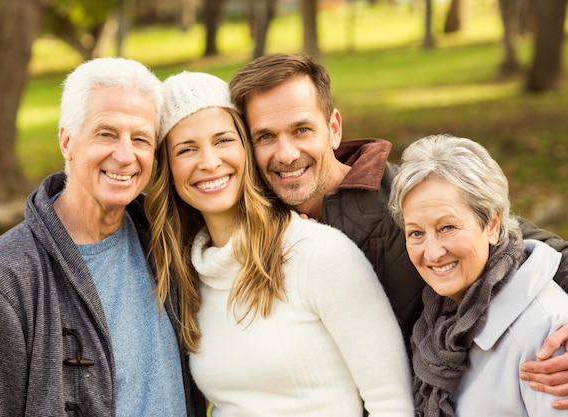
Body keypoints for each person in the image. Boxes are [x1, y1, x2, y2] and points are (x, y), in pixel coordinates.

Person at [228, 52, 568, 408]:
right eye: (265, 137)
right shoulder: (250, 228)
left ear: (333, 128)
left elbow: (536, 248)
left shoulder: (404, 197)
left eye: (301, 129)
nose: (285, 154)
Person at [0, 57, 205, 416]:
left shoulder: (168, 242)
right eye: (106, 133)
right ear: (67, 142)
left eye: (141, 138)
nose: (126, 155)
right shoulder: (4, 279)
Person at [145, 70, 414, 416]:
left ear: (246, 149)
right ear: (168, 169)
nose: (209, 162)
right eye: (186, 149)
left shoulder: (317, 254)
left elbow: (392, 404)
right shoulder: (189, 273)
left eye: (223, 140)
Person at [387, 134, 568, 416]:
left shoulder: (548, 334)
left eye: (448, 227)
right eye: (416, 233)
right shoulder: (438, 325)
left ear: (493, 224)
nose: (433, 253)